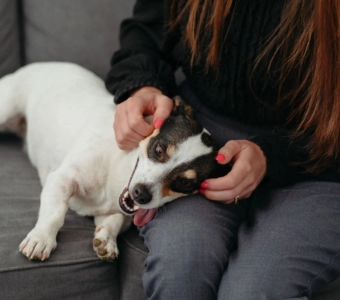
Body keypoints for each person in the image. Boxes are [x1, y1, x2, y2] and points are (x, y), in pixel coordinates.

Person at [105, 0, 340, 299]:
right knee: (181, 268)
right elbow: (147, 33)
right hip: (202, 141)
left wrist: (272, 155)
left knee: (252, 291)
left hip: (322, 163)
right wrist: (143, 89)